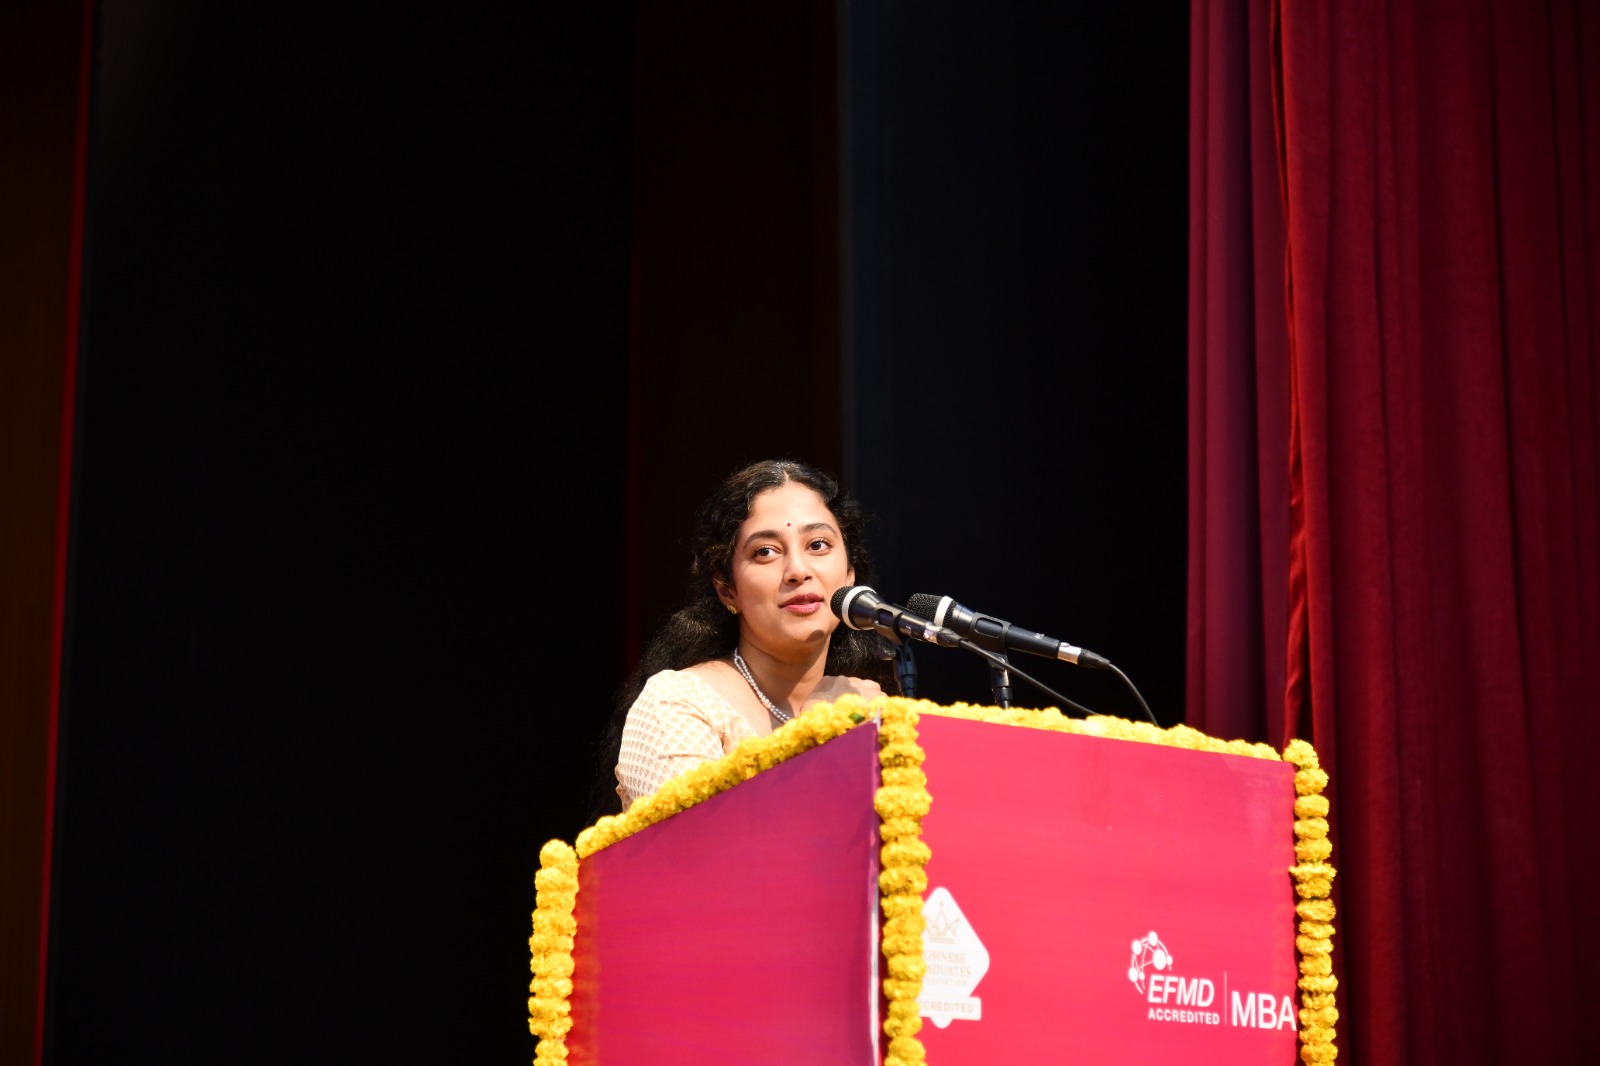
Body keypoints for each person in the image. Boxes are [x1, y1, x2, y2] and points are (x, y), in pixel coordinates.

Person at [590, 459, 900, 817]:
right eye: (765, 551)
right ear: (727, 589)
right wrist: (811, 738)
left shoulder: (864, 703)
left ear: (849, 576)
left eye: (817, 544)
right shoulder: (680, 706)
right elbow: (700, 849)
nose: (798, 570)